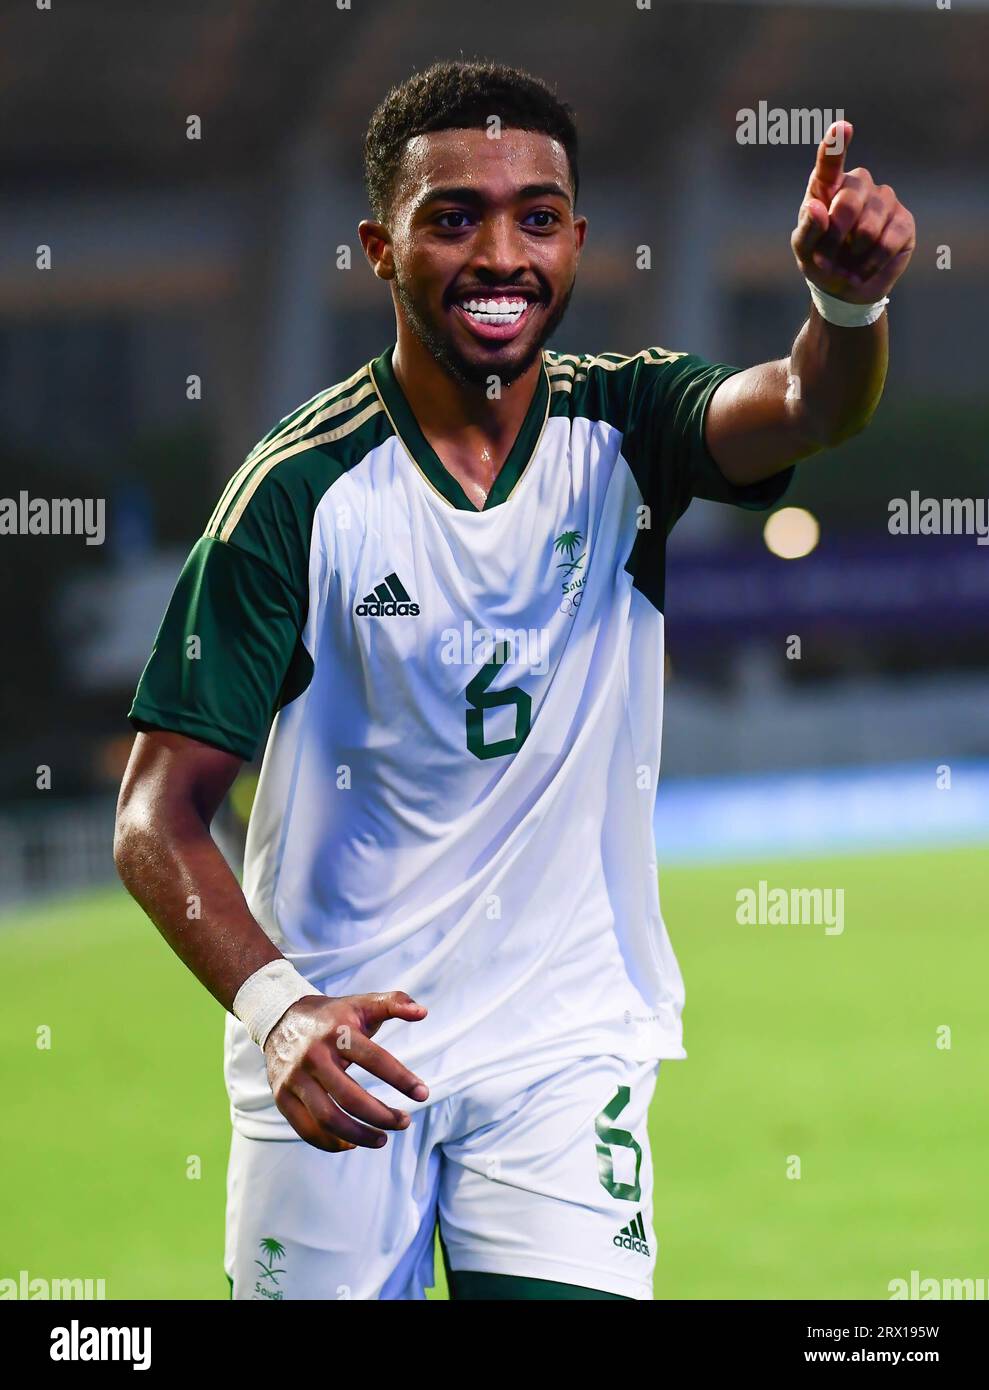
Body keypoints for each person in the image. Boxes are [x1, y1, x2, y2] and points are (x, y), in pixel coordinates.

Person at [114, 59, 915, 1300]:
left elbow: (808, 405)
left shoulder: (626, 425)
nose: (502, 253)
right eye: (454, 219)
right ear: (380, 249)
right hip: (343, 1054)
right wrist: (280, 1012)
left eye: (536, 218)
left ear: (576, 239)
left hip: (562, 1042)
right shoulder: (296, 495)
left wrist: (844, 306)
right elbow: (154, 814)